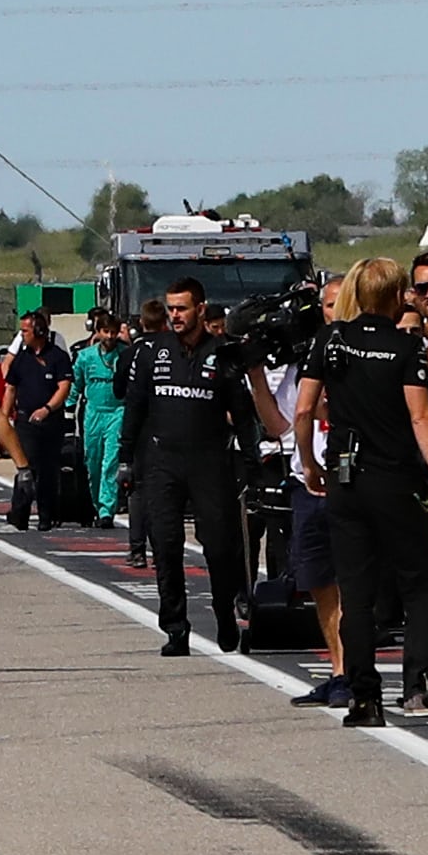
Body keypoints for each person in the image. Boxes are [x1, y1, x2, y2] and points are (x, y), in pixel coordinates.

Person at [302, 255, 428, 730]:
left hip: (346, 476)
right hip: (395, 477)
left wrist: (308, 461)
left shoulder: (331, 339)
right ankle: (418, 683)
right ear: (396, 294)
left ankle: (365, 697)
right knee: (418, 583)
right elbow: (422, 417)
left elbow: (303, 410)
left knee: (356, 593)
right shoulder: (404, 347)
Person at [119, 273, 256, 656]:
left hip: (210, 462)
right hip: (161, 461)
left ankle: (225, 615)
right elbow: (134, 407)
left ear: (200, 308)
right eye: (170, 308)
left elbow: (243, 415)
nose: (175, 315)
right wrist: (125, 458)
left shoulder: (222, 353)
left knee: (219, 547)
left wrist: (252, 458)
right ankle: (175, 628)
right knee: (165, 545)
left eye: (181, 308)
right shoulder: (151, 351)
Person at [1, 309, 85, 529]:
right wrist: (3, 419)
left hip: (50, 423)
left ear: (38, 331)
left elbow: (64, 387)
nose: (22, 335)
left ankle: (47, 516)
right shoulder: (21, 359)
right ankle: (20, 513)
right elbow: (10, 389)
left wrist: (47, 409)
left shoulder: (58, 357)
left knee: (48, 470)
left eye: (25, 331)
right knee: (26, 466)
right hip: (24, 422)